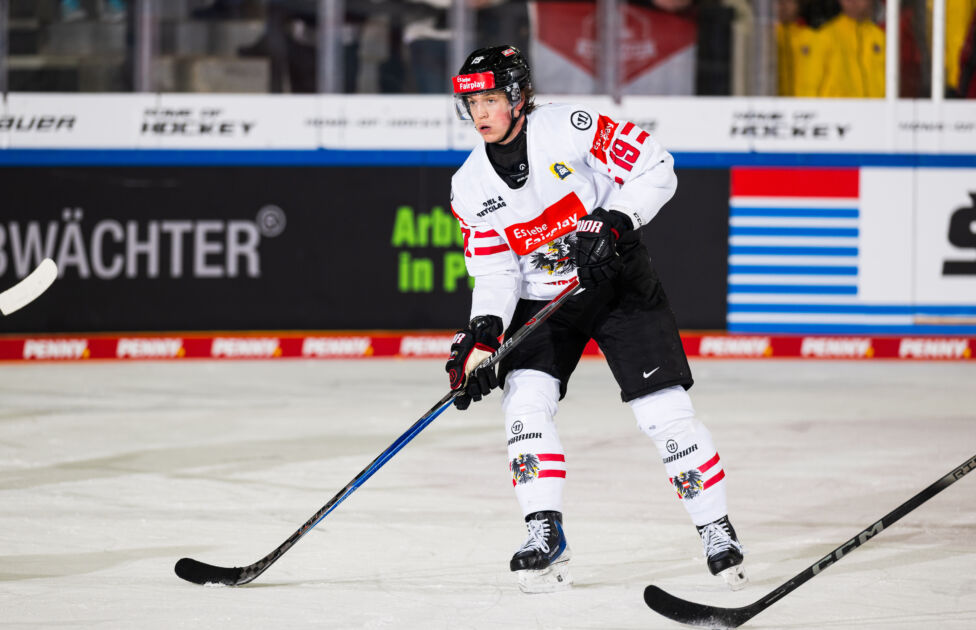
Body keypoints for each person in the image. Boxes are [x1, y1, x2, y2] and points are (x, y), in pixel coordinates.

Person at [443, 45, 746, 594]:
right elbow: (495, 271)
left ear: (518, 97)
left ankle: (715, 529)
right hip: (543, 301)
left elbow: (656, 166)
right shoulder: (469, 185)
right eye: (473, 104)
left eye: (490, 100)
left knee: (663, 410)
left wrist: (614, 219)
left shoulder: (570, 128)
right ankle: (545, 533)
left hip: (616, 279)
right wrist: (483, 332)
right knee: (524, 403)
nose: (480, 113)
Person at [810, 0, 885, 97]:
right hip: (834, 107)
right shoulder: (824, 36)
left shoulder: (882, 39)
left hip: (879, 106)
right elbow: (809, 87)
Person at [776, 0, 818, 96]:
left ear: (799, 4)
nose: (783, 6)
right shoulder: (767, 37)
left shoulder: (812, 37)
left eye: (789, 2)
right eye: (778, 2)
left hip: (805, 102)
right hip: (773, 101)